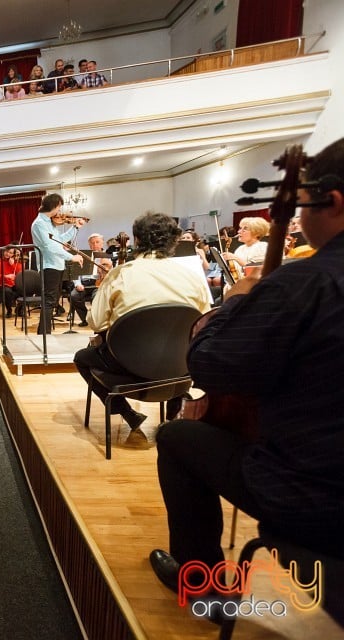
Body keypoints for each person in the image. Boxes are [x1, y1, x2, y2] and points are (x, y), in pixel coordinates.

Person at [148, 138, 344, 622]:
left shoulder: (307, 283)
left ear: (333, 202)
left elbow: (212, 366)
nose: (295, 219)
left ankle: (204, 588)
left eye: (300, 207)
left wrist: (235, 303)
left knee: (176, 437)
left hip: (317, 499)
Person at [73, 212, 212, 429]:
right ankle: (176, 410)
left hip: (127, 366)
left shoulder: (120, 274)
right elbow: (204, 324)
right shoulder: (192, 277)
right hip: (179, 367)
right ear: (173, 241)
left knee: (82, 358)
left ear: (136, 240)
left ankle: (128, 413)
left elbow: (96, 323)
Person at [30, 193, 86, 334]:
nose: (60, 211)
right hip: (49, 266)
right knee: (49, 302)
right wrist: (71, 257)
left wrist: (75, 227)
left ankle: (43, 332)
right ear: (54, 206)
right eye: (59, 206)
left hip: (57, 265)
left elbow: (59, 240)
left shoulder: (48, 222)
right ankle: (43, 334)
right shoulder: (39, 224)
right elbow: (49, 246)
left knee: (52, 301)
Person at [68, 233, 112, 327]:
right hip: (83, 284)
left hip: (98, 284)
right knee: (74, 296)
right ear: (89, 244)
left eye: (97, 242)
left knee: (97, 297)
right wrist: (78, 284)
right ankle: (85, 318)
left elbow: (111, 273)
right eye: (92, 243)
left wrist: (107, 266)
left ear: (102, 243)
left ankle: (97, 320)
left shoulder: (107, 256)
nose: (95, 244)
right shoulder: (83, 255)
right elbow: (76, 273)